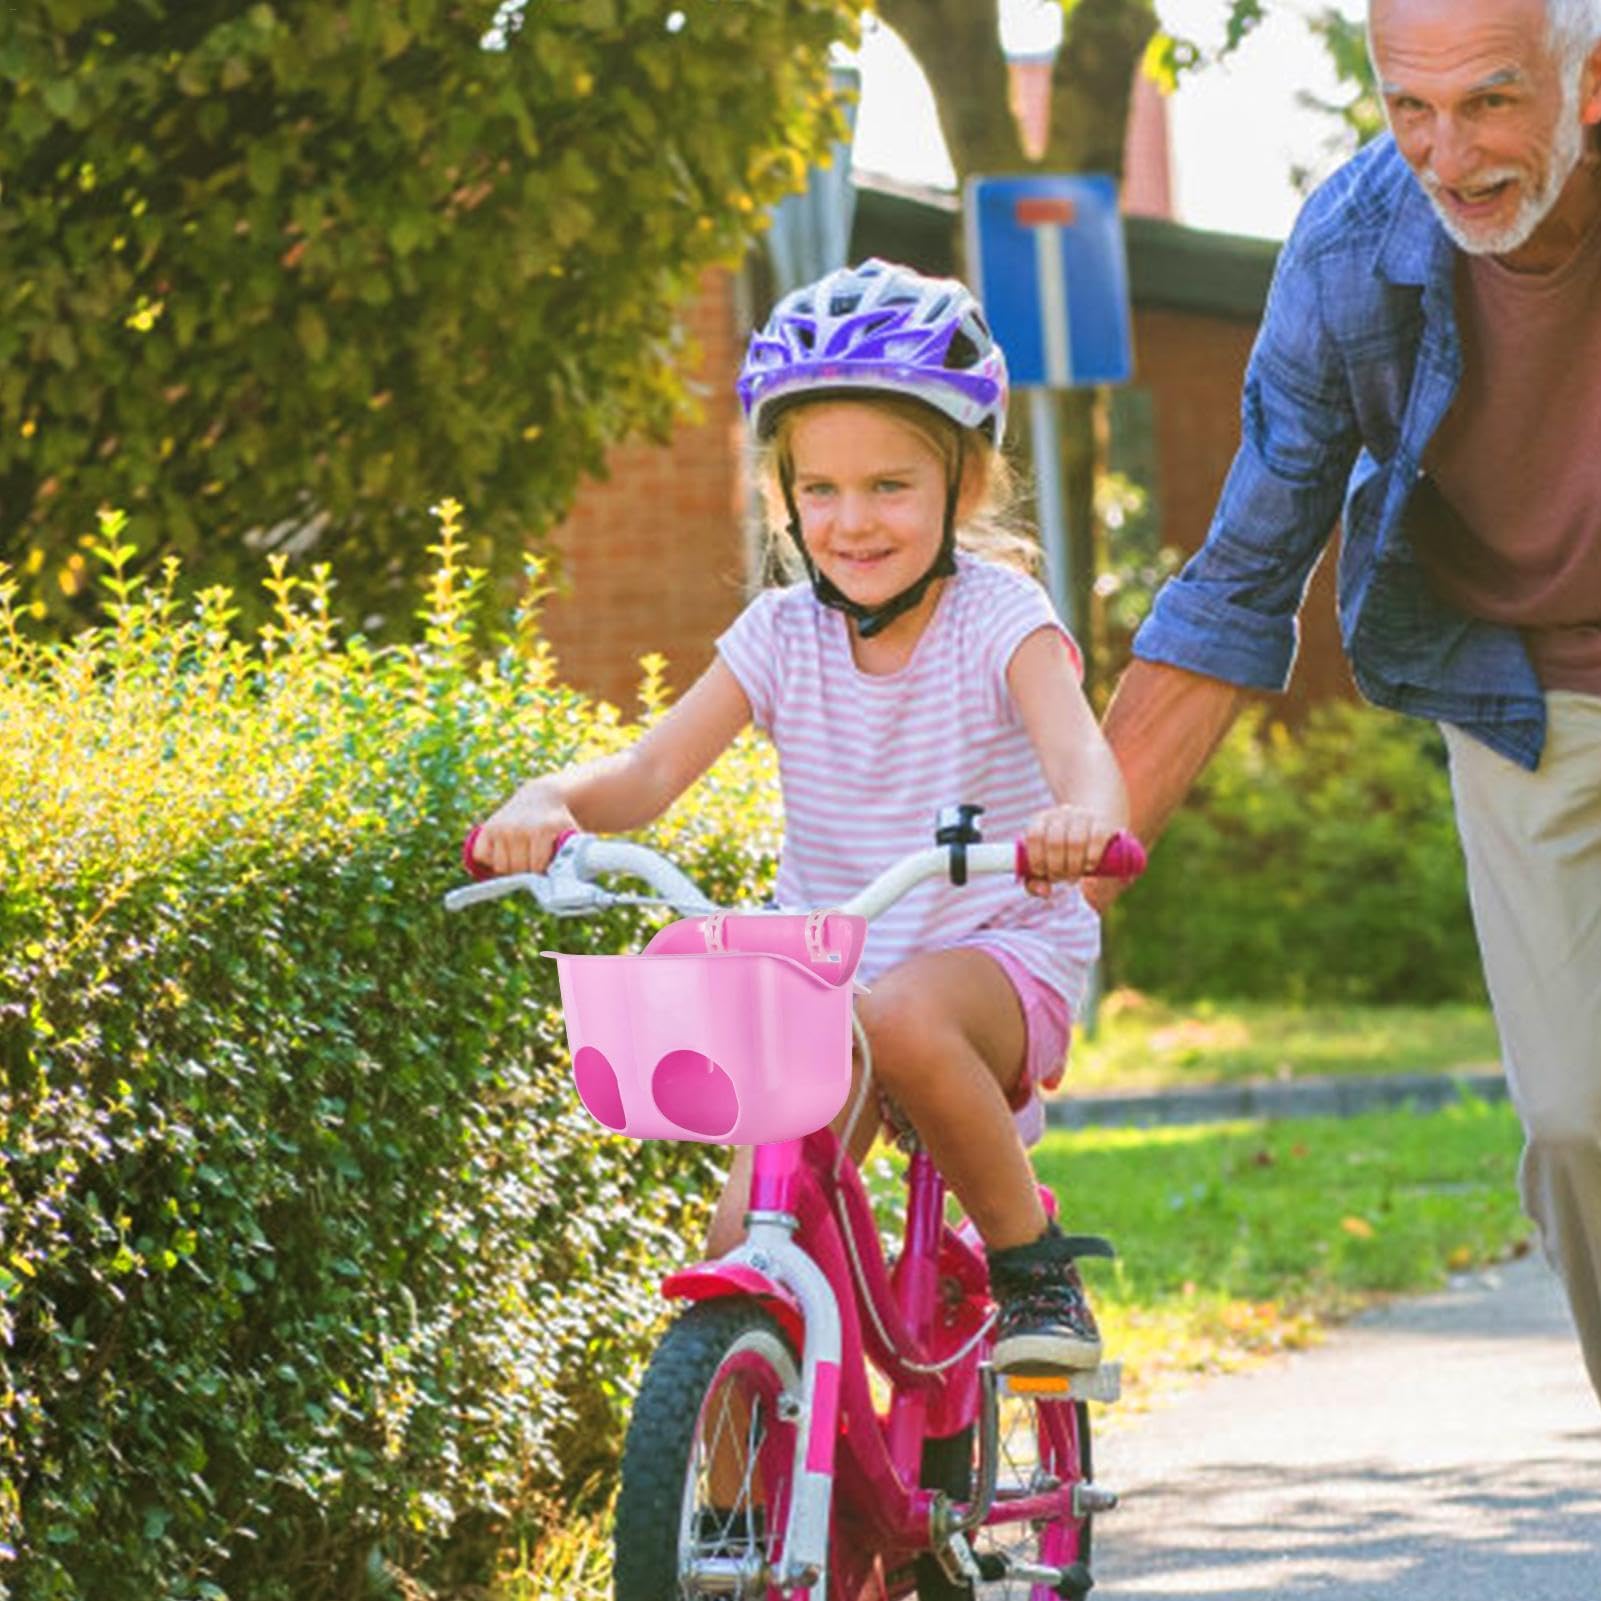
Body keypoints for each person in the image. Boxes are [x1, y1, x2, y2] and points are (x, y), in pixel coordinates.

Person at [472, 259, 1130, 1373]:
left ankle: (1033, 1268)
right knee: (747, 1241)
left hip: (993, 952)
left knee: (908, 1016)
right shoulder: (779, 634)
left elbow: (1089, 769)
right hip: (831, 974)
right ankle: (733, 1511)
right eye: (816, 489)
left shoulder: (1000, 619)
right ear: (781, 492)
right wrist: (546, 800)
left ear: (963, 485)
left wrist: (1078, 819)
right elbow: (644, 774)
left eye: (889, 485)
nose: (850, 520)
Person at [1093, 0, 1601, 1400]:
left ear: (1589, 81)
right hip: (1524, 693)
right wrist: (1053, 892)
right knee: (1572, 1124)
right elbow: (1240, 582)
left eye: (1491, 103)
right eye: (1409, 109)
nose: (1449, 153)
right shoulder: (1352, 250)